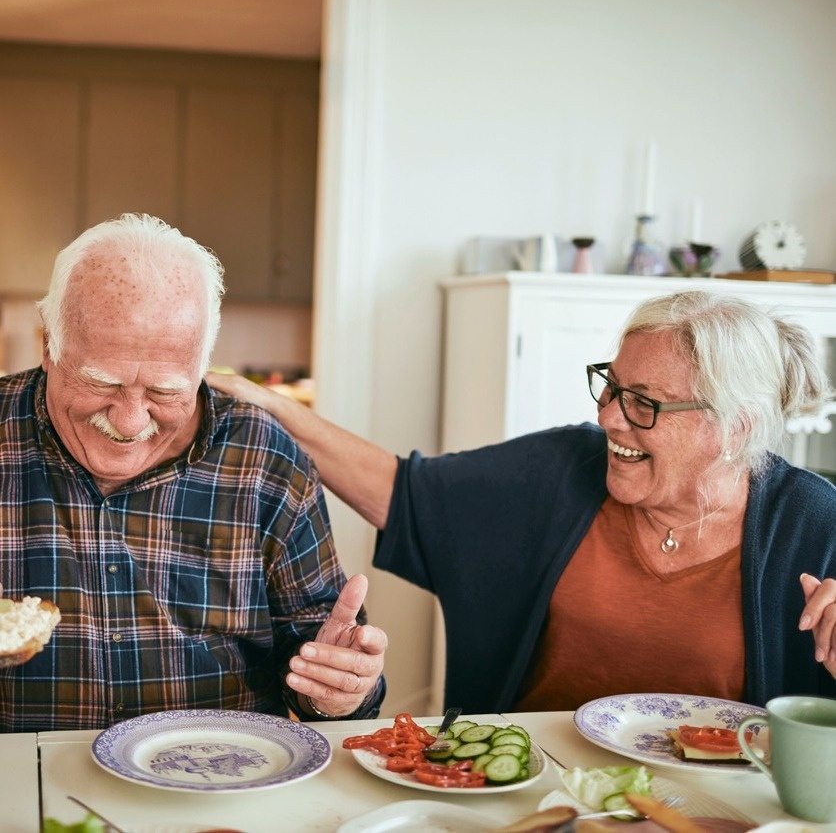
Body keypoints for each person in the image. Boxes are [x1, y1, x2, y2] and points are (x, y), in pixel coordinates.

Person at [208, 289, 836, 714]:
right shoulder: (561, 472)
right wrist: (273, 406)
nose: (609, 417)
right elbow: (403, 494)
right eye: (611, 386)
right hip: (533, 802)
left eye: (645, 402)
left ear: (737, 426)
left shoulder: (816, 525)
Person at [0, 213, 386, 732]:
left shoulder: (263, 457)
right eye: (101, 382)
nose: (129, 421)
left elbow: (320, 651)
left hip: (225, 782)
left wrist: (340, 690)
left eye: (163, 392)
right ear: (49, 347)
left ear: (202, 365)